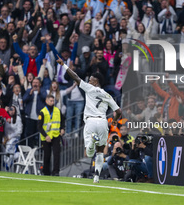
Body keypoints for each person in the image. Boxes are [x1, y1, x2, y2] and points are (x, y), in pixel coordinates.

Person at [56, 55, 122, 183]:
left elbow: (75, 77)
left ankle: (92, 141)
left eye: (91, 80)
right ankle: (96, 177)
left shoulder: (90, 88)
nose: (89, 81)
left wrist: (63, 65)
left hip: (91, 121)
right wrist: (114, 121)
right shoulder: (107, 94)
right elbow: (118, 111)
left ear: (96, 82)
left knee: (89, 153)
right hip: (103, 122)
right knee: (100, 152)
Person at [38, 95, 65, 176]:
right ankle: (46, 172)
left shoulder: (57, 110)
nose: (52, 102)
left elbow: (63, 120)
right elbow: (39, 126)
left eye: (53, 101)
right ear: (46, 101)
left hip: (56, 135)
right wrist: (46, 136)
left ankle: (56, 172)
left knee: (57, 155)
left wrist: (63, 128)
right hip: (46, 137)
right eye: (50, 101)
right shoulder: (42, 112)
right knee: (47, 156)